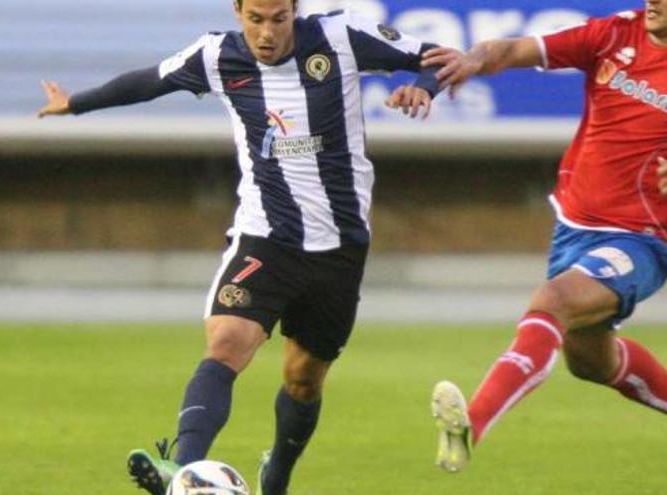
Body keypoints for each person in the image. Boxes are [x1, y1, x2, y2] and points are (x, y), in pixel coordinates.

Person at [38, 0, 441, 494]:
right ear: (238, 12)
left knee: (303, 380)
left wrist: (422, 87)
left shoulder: (342, 38)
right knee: (227, 341)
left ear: (295, 11)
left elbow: (438, 56)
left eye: (278, 18)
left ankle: (277, 477)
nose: (266, 33)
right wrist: (75, 103)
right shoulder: (215, 56)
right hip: (265, 238)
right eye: (255, 19)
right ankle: (181, 471)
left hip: (339, 249)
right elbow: (149, 81)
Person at [422, 0, 667, 475]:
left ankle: (471, 427)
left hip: (639, 241)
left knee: (553, 301)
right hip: (572, 228)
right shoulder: (613, 35)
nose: (653, 1)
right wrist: (473, 59)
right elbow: (512, 48)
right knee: (587, 361)